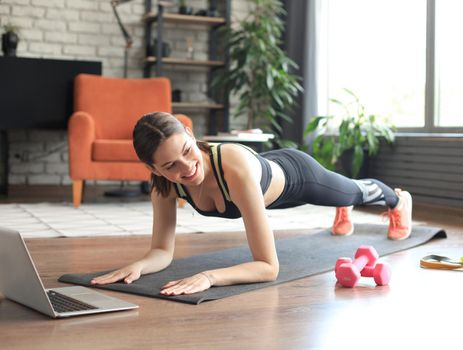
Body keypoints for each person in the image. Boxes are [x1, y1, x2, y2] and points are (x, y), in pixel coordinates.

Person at [91, 112, 412, 295]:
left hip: (297, 175)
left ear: (190, 133)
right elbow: (161, 252)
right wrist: (138, 266)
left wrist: (210, 277)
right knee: (344, 196)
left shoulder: (233, 167)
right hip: (265, 190)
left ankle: (399, 199)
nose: (186, 168)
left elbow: (269, 267)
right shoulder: (163, 186)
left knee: (352, 191)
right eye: (170, 166)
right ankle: (343, 208)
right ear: (152, 169)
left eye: (187, 151)